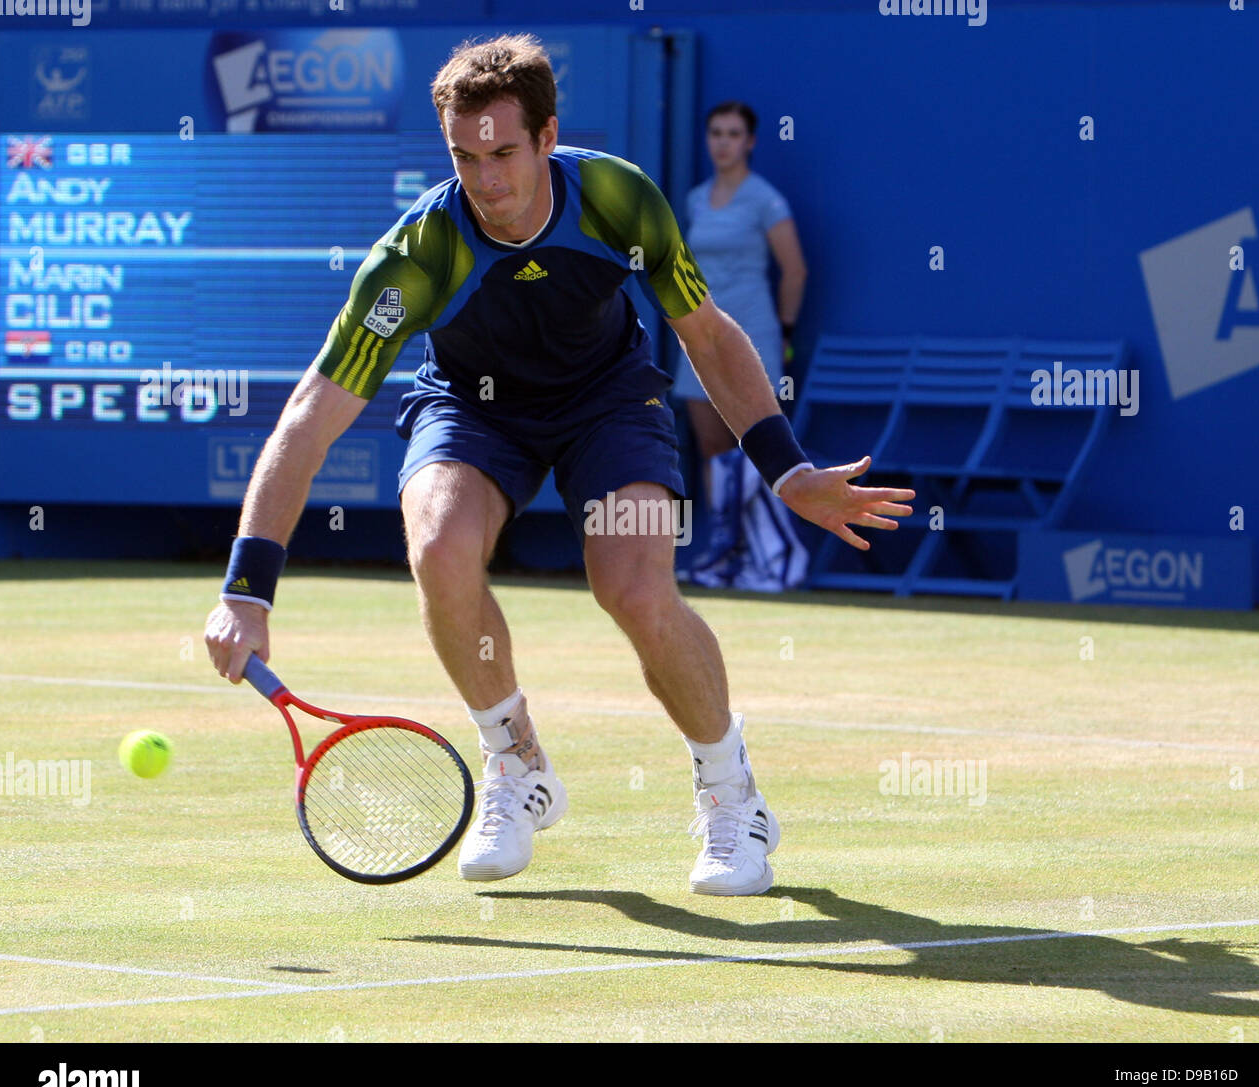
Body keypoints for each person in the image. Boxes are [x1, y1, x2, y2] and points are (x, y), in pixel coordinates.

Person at [204, 34, 913, 897]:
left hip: (611, 400)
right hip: (471, 407)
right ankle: (517, 763)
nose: (486, 179)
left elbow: (709, 336)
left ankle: (733, 796)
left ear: (547, 138)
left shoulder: (616, 198)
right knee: (438, 547)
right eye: (465, 157)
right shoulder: (416, 254)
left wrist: (786, 467)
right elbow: (311, 417)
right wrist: (247, 588)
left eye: (504, 152)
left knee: (636, 586)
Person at [673, 101, 809, 591]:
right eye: (715, 133)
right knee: (711, 446)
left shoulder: (765, 200)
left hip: (754, 334)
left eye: (733, 133)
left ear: (750, 142)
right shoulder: (694, 199)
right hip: (699, 335)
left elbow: (794, 269)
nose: (723, 142)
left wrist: (787, 333)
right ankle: (724, 551)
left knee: (756, 447)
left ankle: (765, 557)